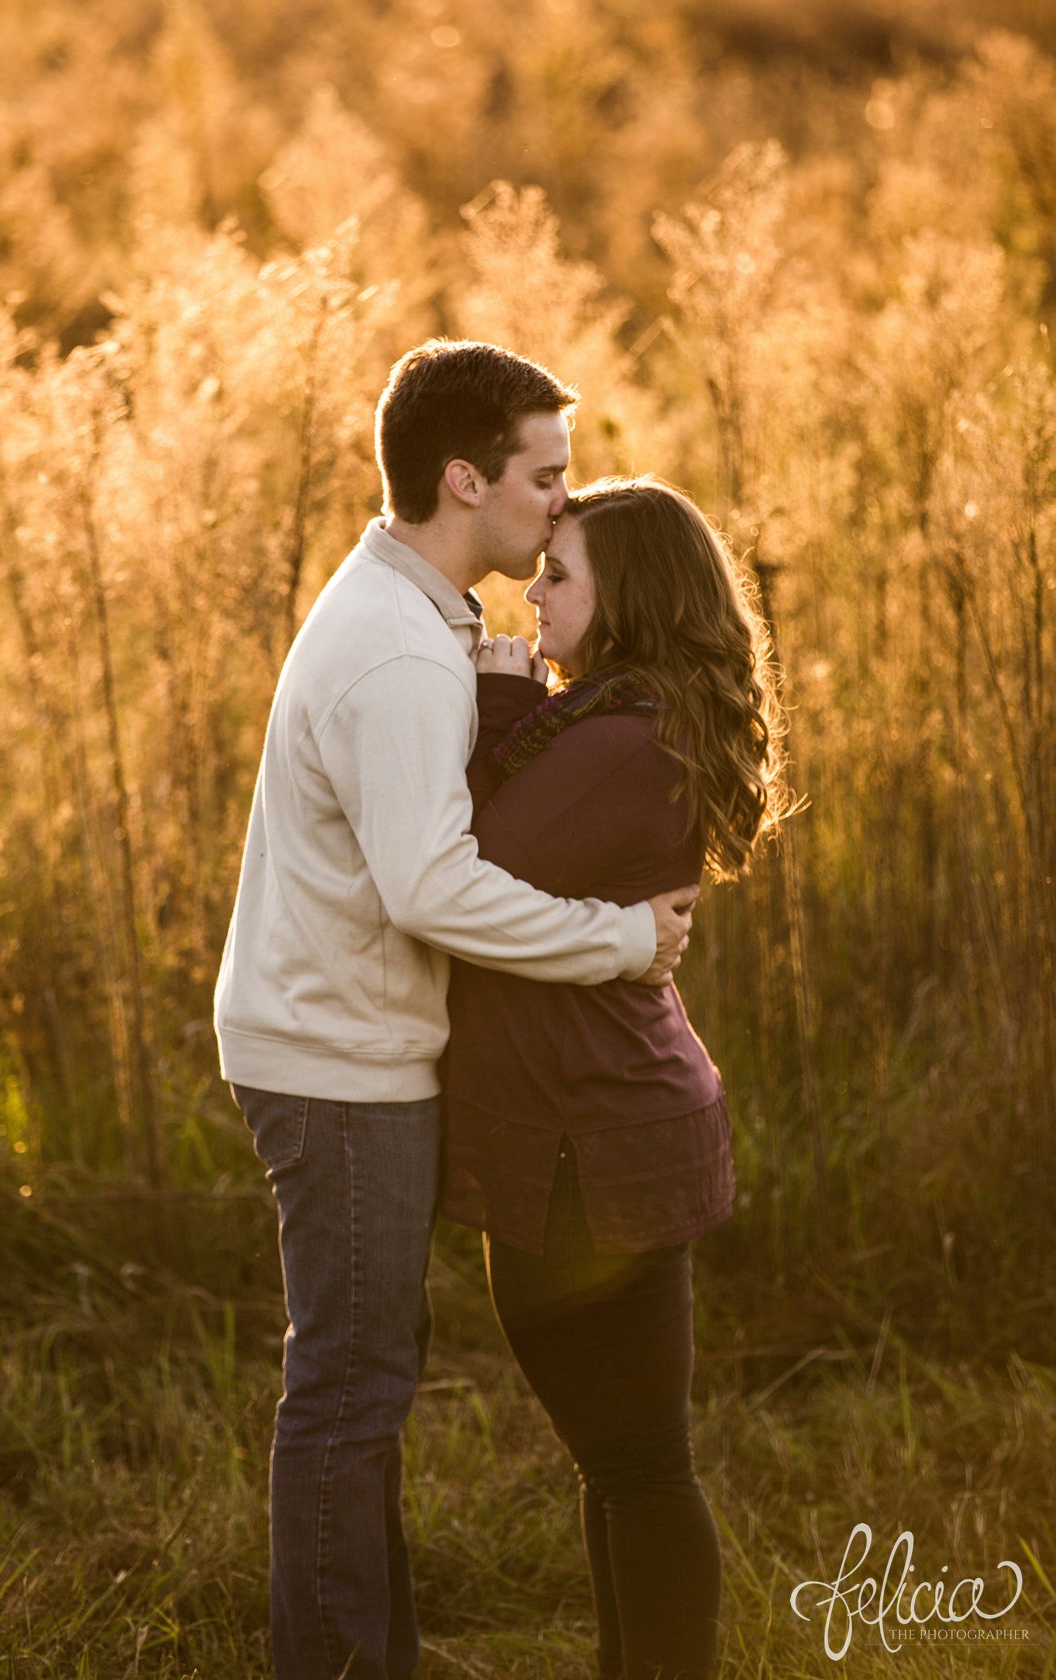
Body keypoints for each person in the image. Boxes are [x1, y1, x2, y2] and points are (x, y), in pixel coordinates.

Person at [214, 341, 699, 1680]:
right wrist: (618, 940)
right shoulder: (394, 652)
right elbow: (433, 886)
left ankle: (374, 1649)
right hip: (337, 1060)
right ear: (463, 477)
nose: (563, 502)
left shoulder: (417, 618)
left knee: (364, 1376)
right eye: (544, 479)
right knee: (351, 1391)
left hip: (347, 1041)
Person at [439, 475, 791, 1680]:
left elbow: (467, 860)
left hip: (596, 1144)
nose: (531, 595)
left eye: (559, 576)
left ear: (629, 597)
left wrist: (491, 688)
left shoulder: (627, 737)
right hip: (580, 1130)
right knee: (622, 1462)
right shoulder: (607, 718)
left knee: (640, 1465)